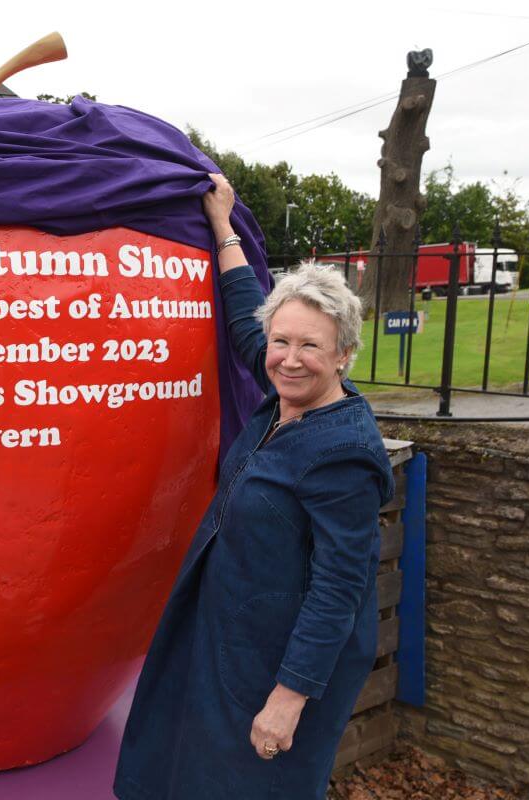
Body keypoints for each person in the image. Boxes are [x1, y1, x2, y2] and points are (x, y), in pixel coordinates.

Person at [114, 174, 394, 800]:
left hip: (277, 661)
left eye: (311, 347)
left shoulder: (343, 452)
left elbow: (339, 589)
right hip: (233, 635)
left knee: (251, 785)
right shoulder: (281, 399)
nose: (290, 359)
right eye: (282, 341)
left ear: (345, 354)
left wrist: (288, 699)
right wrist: (223, 226)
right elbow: (248, 323)